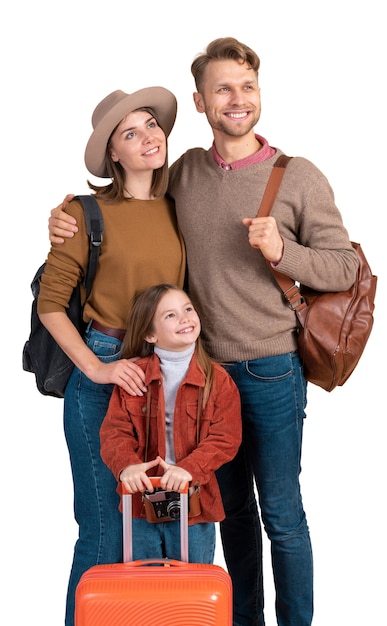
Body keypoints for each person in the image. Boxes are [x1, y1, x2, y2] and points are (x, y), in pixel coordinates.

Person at [48, 37, 359, 626]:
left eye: (247, 87)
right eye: (222, 88)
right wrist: (65, 215)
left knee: (283, 515)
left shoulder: (298, 176)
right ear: (200, 101)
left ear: (259, 95)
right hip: (201, 375)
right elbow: (125, 210)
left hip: (269, 368)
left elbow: (343, 266)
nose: (236, 99)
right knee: (226, 513)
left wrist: (284, 250)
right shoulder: (184, 172)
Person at [38, 87, 186, 626]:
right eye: (131, 133)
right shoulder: (84, 213)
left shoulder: (178, 208)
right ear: (113, 157)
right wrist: (97, 368)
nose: (148, 137)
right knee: (104, 530)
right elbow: (52, 304)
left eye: (152, 124)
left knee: (162, 527)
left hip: (166, 375)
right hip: (104, 372)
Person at [100, 283, 242, 563]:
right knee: (146, 585)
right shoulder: (133, 377)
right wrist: (126, 465)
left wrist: (189, 469)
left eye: (187, 309)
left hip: (194, 502)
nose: (185, 318)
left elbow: (225, 437)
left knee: (193, 585)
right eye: (170, 315)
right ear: (150, 334)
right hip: (141, 501)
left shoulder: (218, 380)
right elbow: (115, 432)